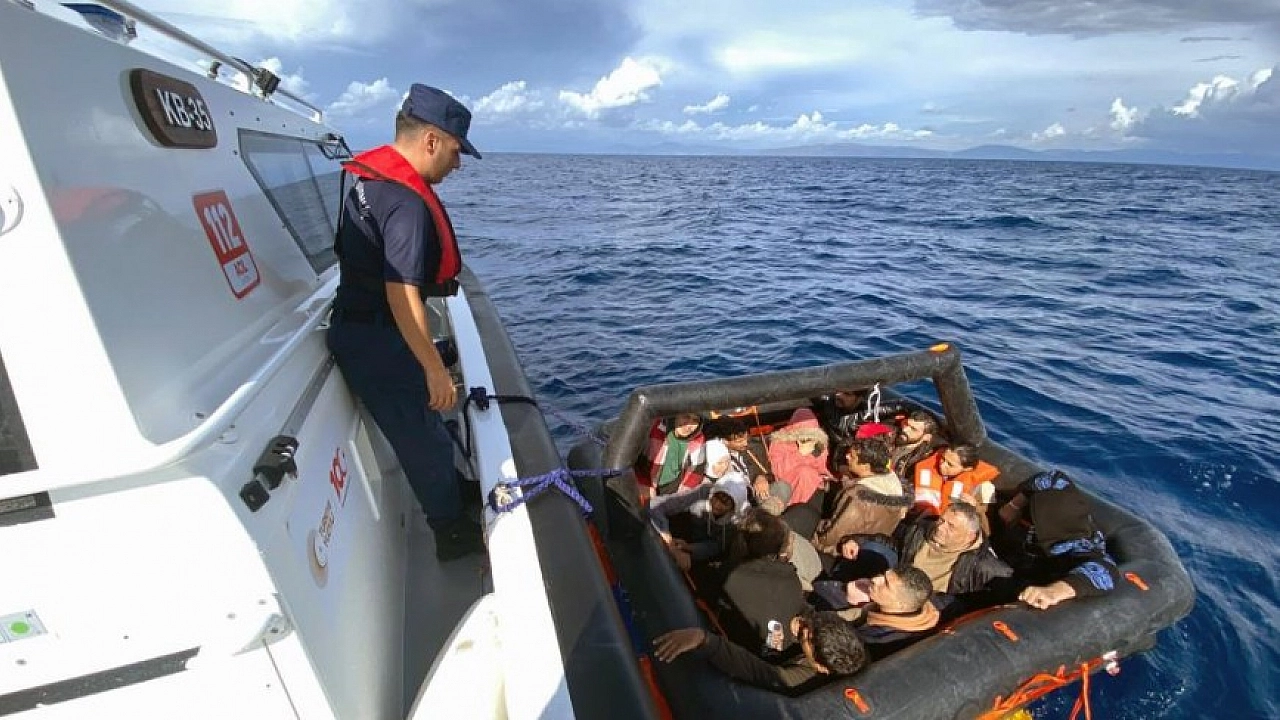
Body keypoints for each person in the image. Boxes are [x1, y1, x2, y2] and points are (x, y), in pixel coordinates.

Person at [326, 84, 483, 561]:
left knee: (426, 425)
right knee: (421, 438)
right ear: (431, 140)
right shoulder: (407, 203)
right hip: (377, 337)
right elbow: (401, 292)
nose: (457, 165)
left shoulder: (370, 181)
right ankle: (451, 534)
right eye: (455, 151)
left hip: (359, 324)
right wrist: (434, 368)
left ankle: (453, 489)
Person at [652, 610, 867, 696]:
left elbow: (756, 671)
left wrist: (705, 640)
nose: (802, 629)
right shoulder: (854, 657)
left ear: (821, 666)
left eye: (806, 637)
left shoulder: (797, 680)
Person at [993, 470, 1120, 610]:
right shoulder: (1060, 493)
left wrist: (1053, 592)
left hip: (1037, 573)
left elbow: (1106, 570)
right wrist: (1015, 505)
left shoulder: (1074, 545)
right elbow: (1052, 477)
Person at [890, 502, 1011, 617]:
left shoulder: (985, 567)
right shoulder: (917, 531)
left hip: (935, 614)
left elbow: (1006, 599)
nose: (940, 528)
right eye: (941, 520)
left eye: (951, 526)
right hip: (894, 593)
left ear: (970, 536)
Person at [649, 440, 750, 570]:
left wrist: (690, 550)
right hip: (685, 537)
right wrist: (669, 542)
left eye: (725, 503)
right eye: (716, 497)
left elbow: (718, 546)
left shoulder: (738, 519)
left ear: (734, 506)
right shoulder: (702, 492)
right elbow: (657, 505)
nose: (717, 505)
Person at [811, 438, 910, 558]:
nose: (847, 456)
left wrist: (812, 528)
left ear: (866, 466)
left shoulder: (857, 496)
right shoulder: (896, 487)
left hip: (838, 551)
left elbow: (829, 537)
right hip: (866, 551)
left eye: (852, 456)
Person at [851, 566, 940, 660]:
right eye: (883, 575)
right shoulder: (928, 605)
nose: (875, 580)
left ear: (901, 604)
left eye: (886, 584)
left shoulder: (875, 639)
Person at [911, 443, 999, 533]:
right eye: (943, 459)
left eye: (950, 464)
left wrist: (975, 507)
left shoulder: (985, 488)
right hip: (920, 521)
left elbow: (986, 530)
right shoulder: (928, 466)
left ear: (967, 469)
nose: (942, 465)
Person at [634, 413, 706, 503]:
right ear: (675, 414)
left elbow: (695, 472)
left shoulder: (698, 439)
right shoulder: (654, 428)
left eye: (695, 420)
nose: (689, 425)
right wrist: (643, 483)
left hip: (672, 486)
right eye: (686, 416)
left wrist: (680, 498)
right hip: (645, 481)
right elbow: (630, 460)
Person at [890, 410, 942, 479]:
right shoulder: (891, 433)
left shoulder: (923, 460)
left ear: (926, 437)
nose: (905, 429)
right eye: (906, 424)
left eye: (913, 429)